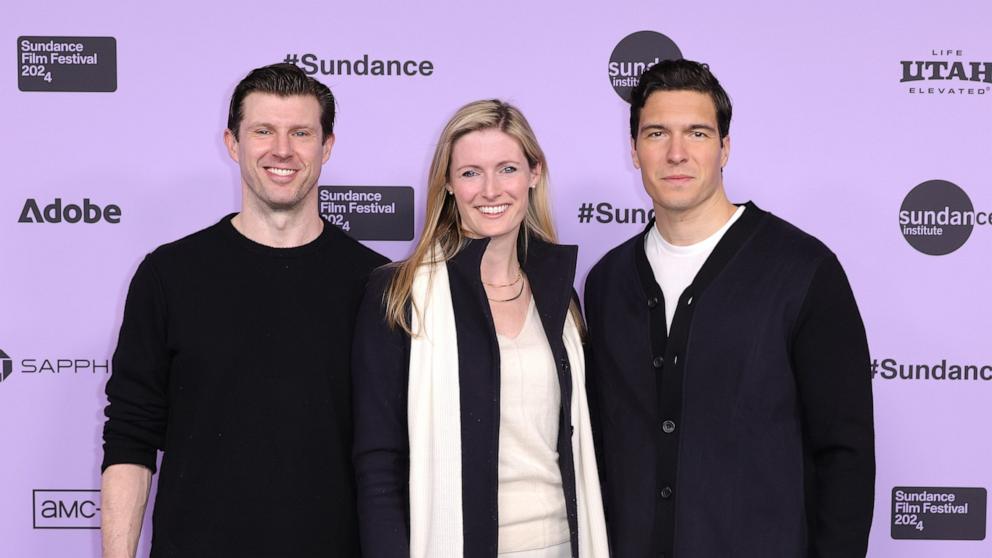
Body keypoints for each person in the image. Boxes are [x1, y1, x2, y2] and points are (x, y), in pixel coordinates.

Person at [583, 59, 875, 557]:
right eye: (657, 134)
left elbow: (844, 455)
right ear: (634, 151)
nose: (677, 153)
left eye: (697, 133)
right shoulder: (607, 281)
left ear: (725, 148)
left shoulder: (803, 271)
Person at [100, 63, 388, 558]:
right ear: (233, 144)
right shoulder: (169, 275)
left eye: (301, 132)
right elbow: (130, 435)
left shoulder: (378, 283)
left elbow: (395, 453)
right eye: (263, 131)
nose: (282, 150)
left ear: (327, 146)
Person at [352, 100, 609, 558]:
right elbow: (379, 462)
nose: (490, 190)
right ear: (448, 184)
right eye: (470, 172)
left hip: (563, 545)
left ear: (534, 173)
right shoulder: (399, 293)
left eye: (507, 168)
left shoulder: (560, 298)